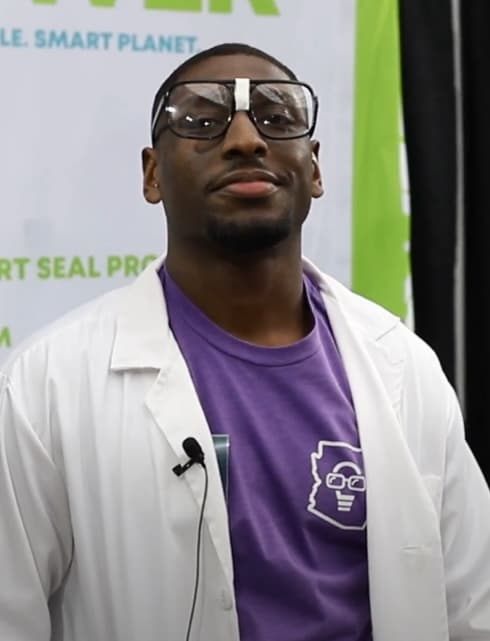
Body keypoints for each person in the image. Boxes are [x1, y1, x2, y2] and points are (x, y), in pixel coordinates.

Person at [0, 42, 489, 641]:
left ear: (314, 168)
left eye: (277, 117)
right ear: (153, 174)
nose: (245, 139)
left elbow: (471, 607)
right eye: (202, 120)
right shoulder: (43, 388)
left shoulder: (405, 367)